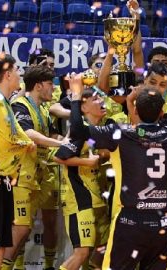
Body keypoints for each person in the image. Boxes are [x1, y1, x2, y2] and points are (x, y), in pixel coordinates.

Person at [67, 58, 167, 270]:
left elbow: (77, 130)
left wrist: (75, 96)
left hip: (130, 222)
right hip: (163, 223)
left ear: (134, 111)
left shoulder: (121, 133)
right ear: (162, 113)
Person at [1, 65, 66, 270]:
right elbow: (28, 133)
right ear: (38, 86)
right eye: (50, 84)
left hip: (36, 176)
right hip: (19, 174)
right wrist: (60, 144)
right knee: (19, 228)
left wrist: (70, 142)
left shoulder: (44, 110)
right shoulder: (19, 105)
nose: (54, 89)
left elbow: (53, 135)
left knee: (24, 228)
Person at [54, 89, 110, 270]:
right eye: (95, 99)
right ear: (84, 107)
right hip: (80, 199)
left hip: (98, 199)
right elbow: (59, 156)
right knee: (82, 252)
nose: (101, 101)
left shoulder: (99, 129)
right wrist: (88, 161)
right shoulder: (79, 131)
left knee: (100, 251)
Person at [0, 54, 35, 270]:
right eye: (17, 70)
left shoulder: (6, 103)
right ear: (7, 74)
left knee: (0, 245)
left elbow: (20, 136)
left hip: (5, 181)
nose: (19, 75)